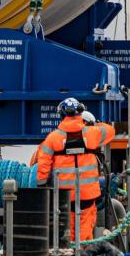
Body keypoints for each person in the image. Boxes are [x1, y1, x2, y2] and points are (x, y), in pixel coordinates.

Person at [35, 98, 115, 242]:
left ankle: (70, 255)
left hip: (65, 193)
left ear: (62, 114)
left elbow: (43, 162)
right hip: (88, 193)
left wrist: (42, 184)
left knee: (67, 230)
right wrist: (94, 123)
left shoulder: (53, 138)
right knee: (85, 230)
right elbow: (110, 131)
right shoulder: (92, 133)